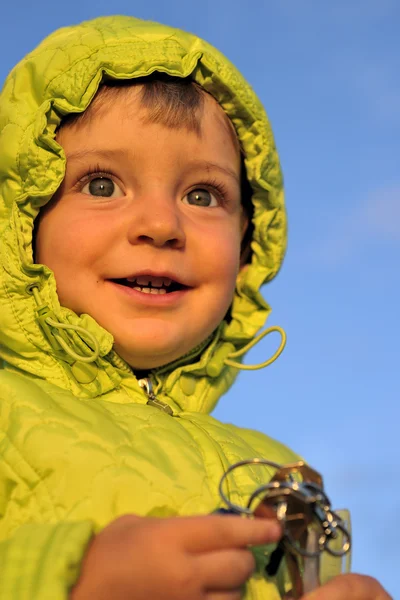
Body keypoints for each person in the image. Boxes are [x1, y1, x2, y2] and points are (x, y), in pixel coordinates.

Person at [0, 14, 390, 600]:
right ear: (21, 223)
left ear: (247, 243)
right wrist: (65, 579)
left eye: (202, 195)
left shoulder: (279, 470)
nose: (161, 224)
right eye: (102, 184)